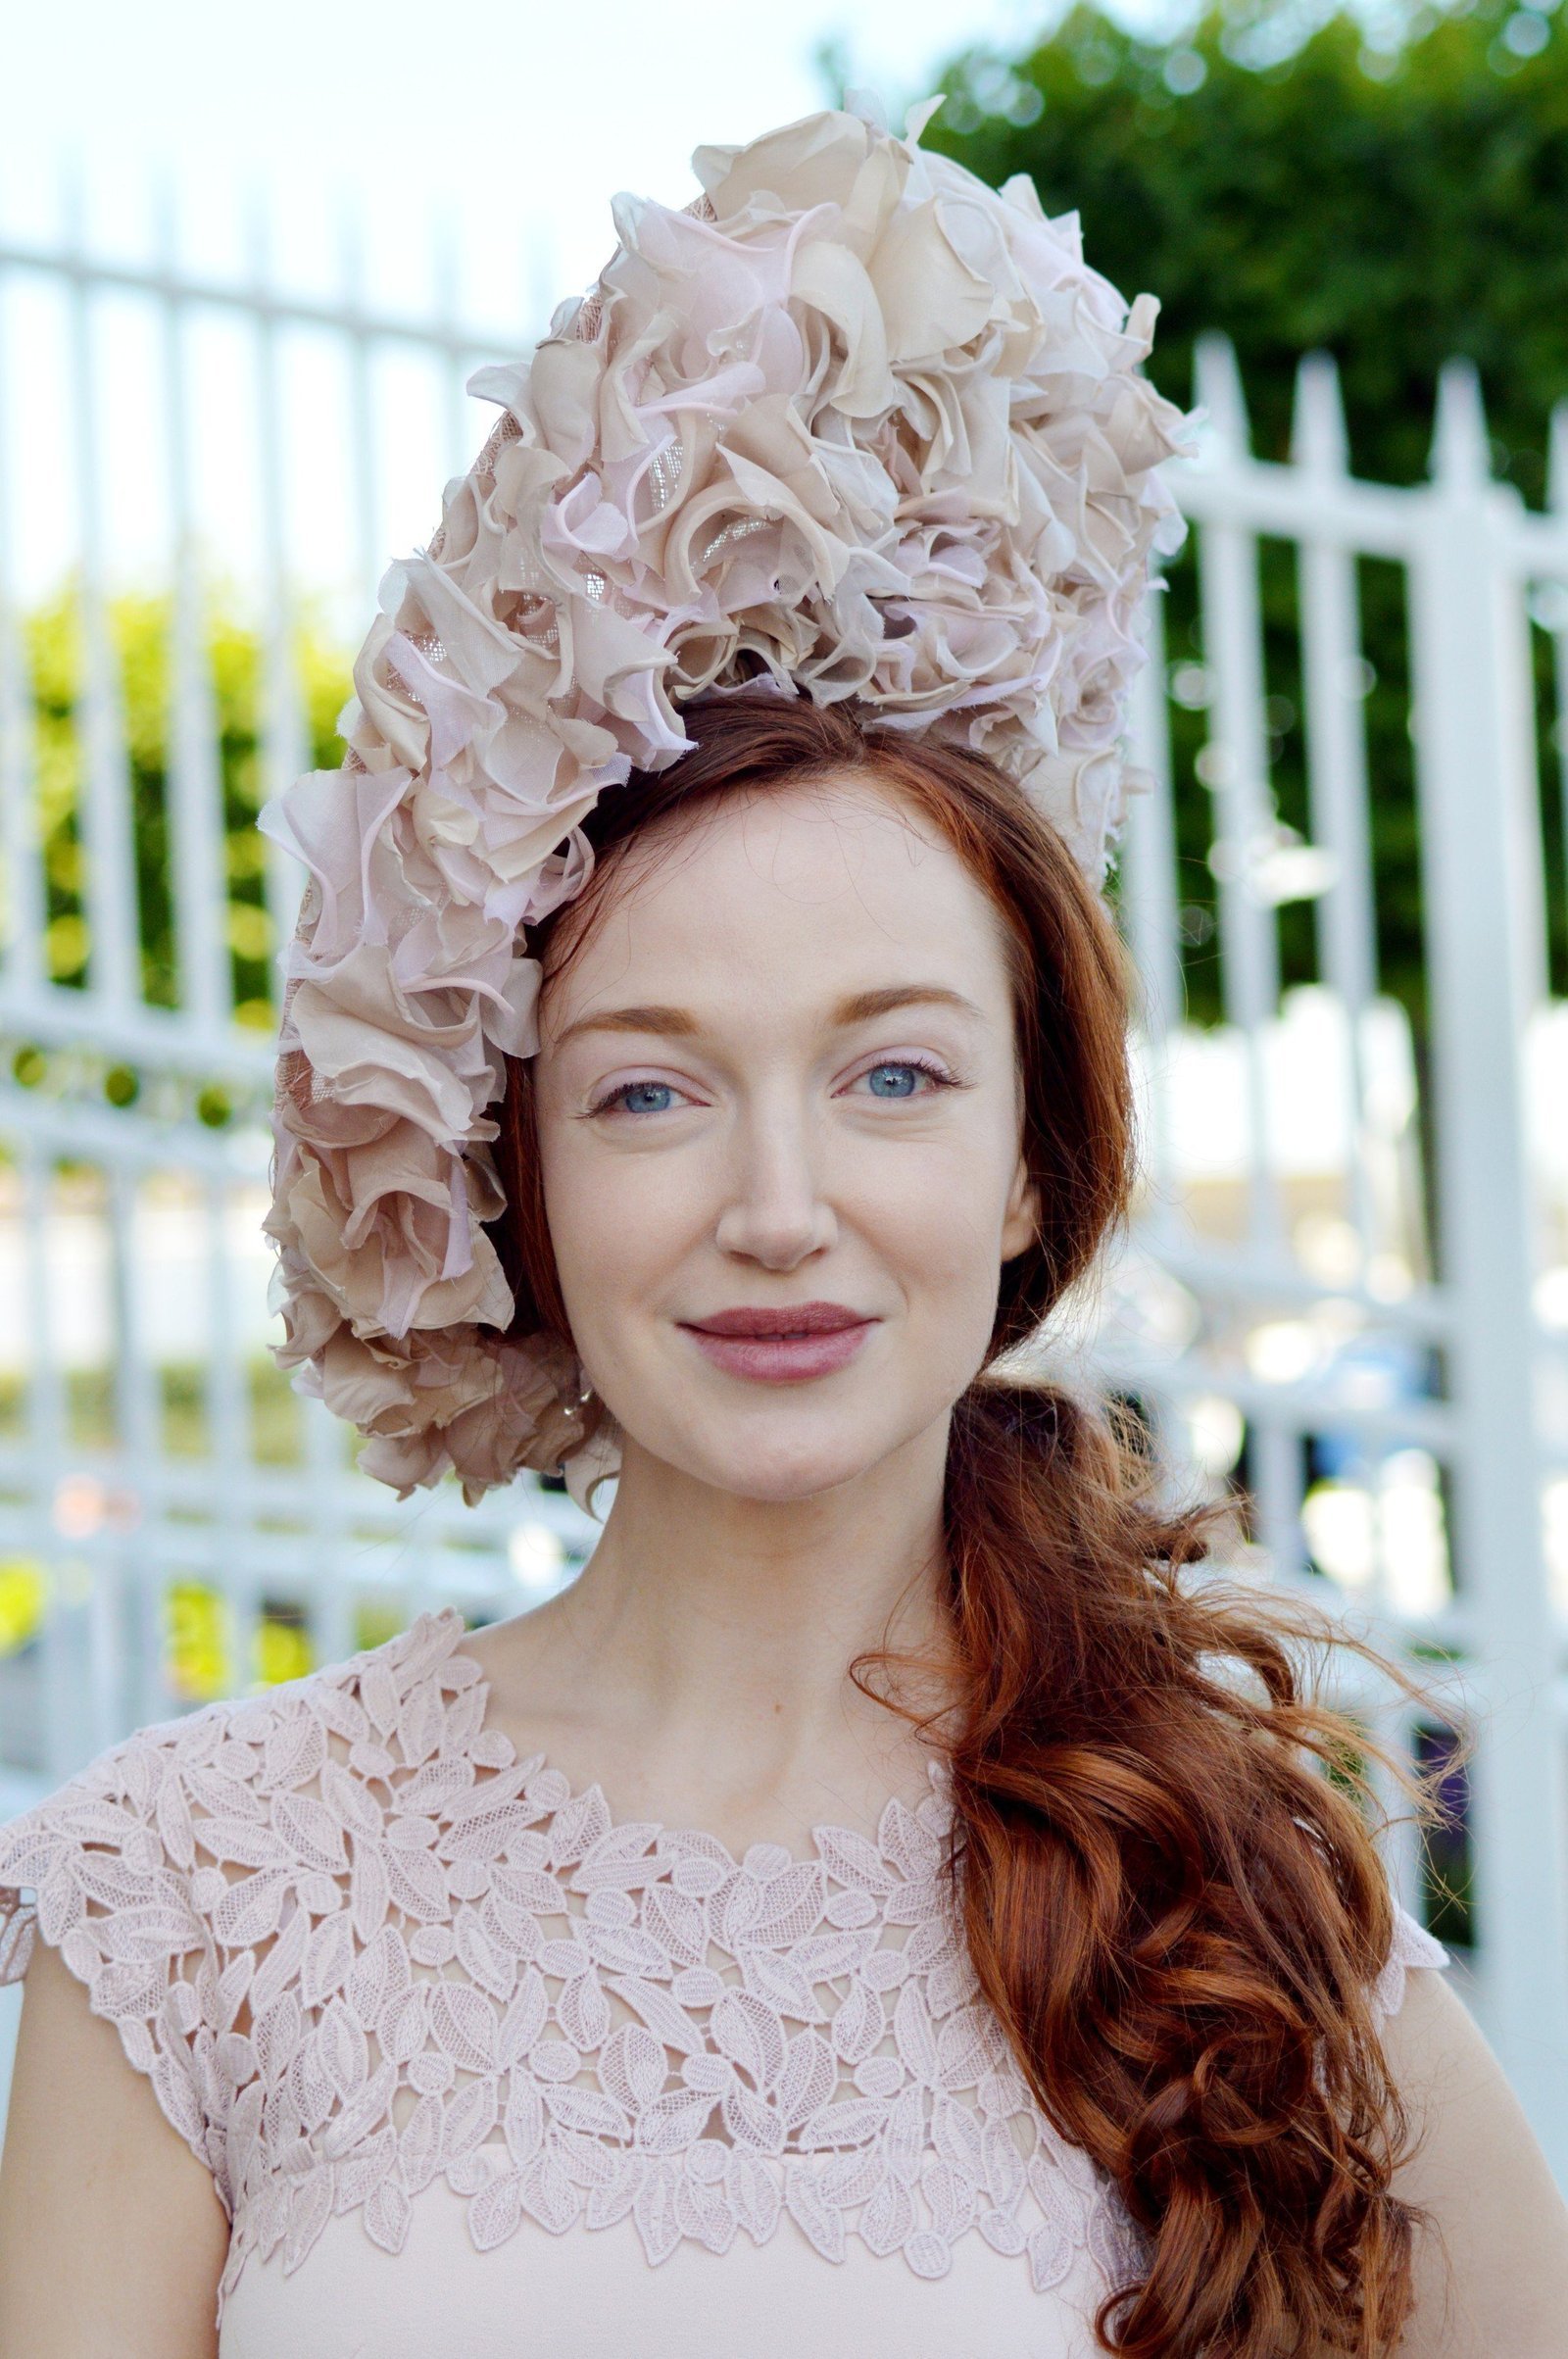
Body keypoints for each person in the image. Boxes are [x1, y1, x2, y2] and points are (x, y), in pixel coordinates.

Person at [2, 99, 1565, 2359]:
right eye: (648, 1089)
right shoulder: (191, 1888)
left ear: (1035, 1158)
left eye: (893, 1075)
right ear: (516, 1169)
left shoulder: (1237, 1887)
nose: (776, 1207)